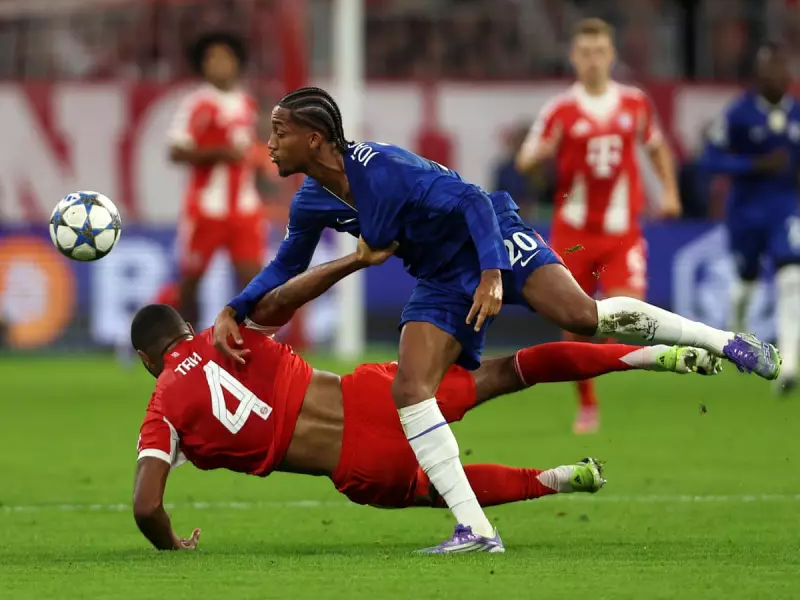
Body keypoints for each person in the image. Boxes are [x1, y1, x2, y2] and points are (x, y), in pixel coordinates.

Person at [212, 85, 779, 554]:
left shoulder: (383, 169)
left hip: (492, 240)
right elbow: (285, 265)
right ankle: (476, 529)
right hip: (439, 276)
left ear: (314, 139)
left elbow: (474, 201)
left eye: (279, 132)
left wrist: (491, 273)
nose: (269, 144)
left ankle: (726, 341)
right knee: (411, 390)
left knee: (582, 315)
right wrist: (237, 307)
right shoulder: (312, 200)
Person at [132, 242, 723, 552]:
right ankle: (651, 355)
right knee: (508, 372)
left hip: (357, 468)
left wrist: (172, 544)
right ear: (185, 329)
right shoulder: (226, 332)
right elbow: (286, 297)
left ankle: (559, 479)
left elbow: (146, 507)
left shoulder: (162, 410)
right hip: (374, 396)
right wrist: (354, 260)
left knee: (445, 490)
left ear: (144, 360)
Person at [515, 18, 683, 434]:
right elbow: (525, 160)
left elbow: (657, 148)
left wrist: (670, 192)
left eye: (599, 52)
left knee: (627, 314)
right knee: (575, 324)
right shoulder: (560, 110)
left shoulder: (634, 103)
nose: (592, 60)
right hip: (573, 236)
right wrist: (539, 155)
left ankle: (601, 362)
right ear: (573, 57)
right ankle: (587, 403)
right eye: (585, 52)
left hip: (621, 231)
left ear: (611, 55)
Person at [699, 41, 800, 395]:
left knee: (791, 278)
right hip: (745, 211)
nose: (781, 74)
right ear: (759, 75)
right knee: (746, 282)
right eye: (772, 67)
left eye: (784, 67)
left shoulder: (797, 113)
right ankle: (736, 332)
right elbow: (709, 160)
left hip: (785, 207)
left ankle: (789, 365)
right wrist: (752, 165)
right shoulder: (739, 113)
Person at [168, 31, 264, 326]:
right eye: (213, 59)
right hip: (207, 208)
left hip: (244, 209)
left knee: (256, 284)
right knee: (190, 283)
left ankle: (254, 352)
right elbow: (176, 151)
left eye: (226, 58)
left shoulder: (247, 103)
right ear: (203, 65)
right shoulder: (198, 104)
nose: (220, 65)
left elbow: (249, 152)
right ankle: (181, 348)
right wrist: (219, 153)